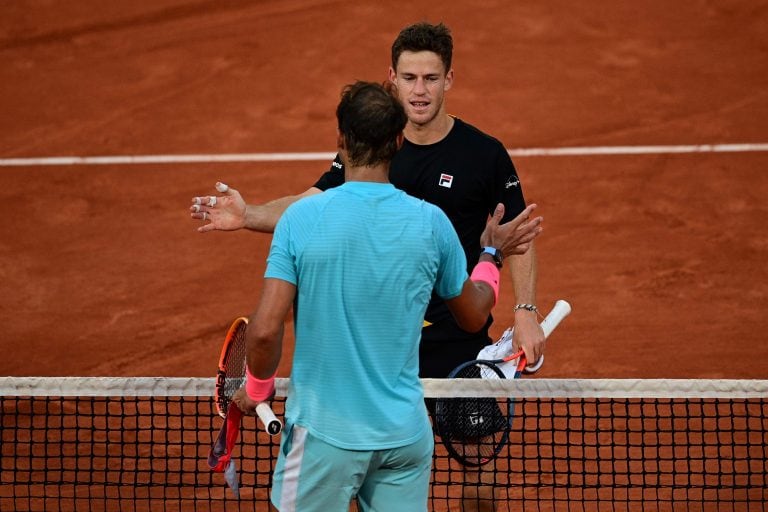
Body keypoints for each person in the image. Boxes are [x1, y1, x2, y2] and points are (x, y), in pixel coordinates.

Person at [195, 22, 544, 510]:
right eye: (409, 77)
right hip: (387, 340)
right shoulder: (373, 145)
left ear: (449, 80)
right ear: (392, 79)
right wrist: (249, 214)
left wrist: (526, 308)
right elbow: (309, 200)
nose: (419, 90)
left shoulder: (484, 154)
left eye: (430, 77)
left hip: (455, 344)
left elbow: (518, 236)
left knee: (480, 468)